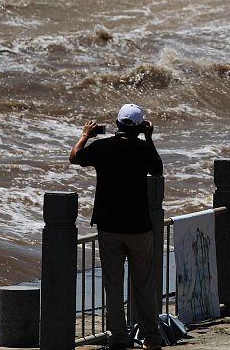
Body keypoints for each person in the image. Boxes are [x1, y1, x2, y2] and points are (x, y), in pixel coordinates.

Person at [70, 103, 164, 349]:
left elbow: (74, 157)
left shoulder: (102, 147)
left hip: (109, 226)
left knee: (113, 285)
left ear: (117, 124)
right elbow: (157, 170)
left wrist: (84, 135)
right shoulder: (144, 149)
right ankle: (152, 338)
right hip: (139, 227)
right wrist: (149, 138)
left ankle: (120, 338)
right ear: (141, 126)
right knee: (144, 285)